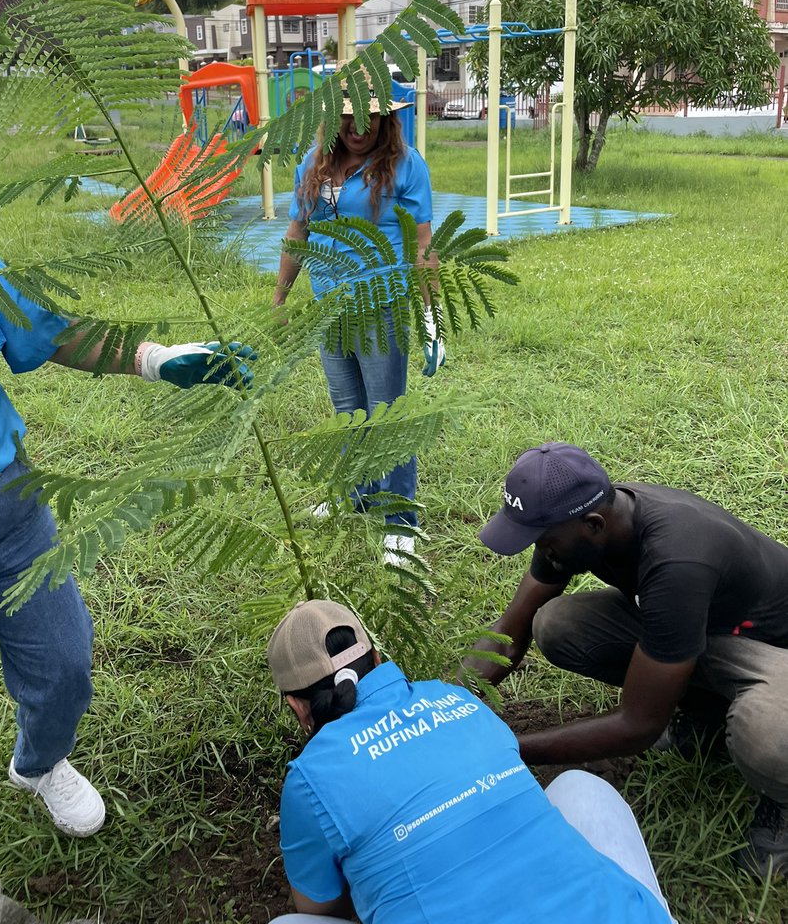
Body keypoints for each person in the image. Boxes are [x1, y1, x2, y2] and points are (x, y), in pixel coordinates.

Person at [0, 133, 255, 924]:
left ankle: (41, 762)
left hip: (8, 501)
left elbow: (50, 330)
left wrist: (157, 359)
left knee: (65, 662)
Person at [471, 441, 788, 881]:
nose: (541, 553)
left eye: (543, 542)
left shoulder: (678, 557)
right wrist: (444, 706)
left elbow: (638, 725)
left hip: (770, 648)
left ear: (593, 526)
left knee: (770, 738)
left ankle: (782, 796)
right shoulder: (582, 520)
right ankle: (704, 713)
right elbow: (510, 631)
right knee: (557, 625)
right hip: (699, 627)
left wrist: (504, 751)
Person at [266, 598, 674, 924]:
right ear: (376, 660)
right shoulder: (456, 698)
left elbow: (323, 908)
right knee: (579, 788)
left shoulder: (310, 779)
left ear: (298, 708)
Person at [273, 76, 444, 564]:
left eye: (371, 117)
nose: (359, 127)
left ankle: (400, 520)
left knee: (388, 412)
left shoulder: (406, 167)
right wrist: (280, 299)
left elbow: (423, 245)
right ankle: (358, 493)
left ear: (388, 119)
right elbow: (298, 230)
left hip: (380, 308)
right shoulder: (314, 164)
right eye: (349, 115)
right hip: (329, 308)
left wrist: (431, 319)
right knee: (349, 409)